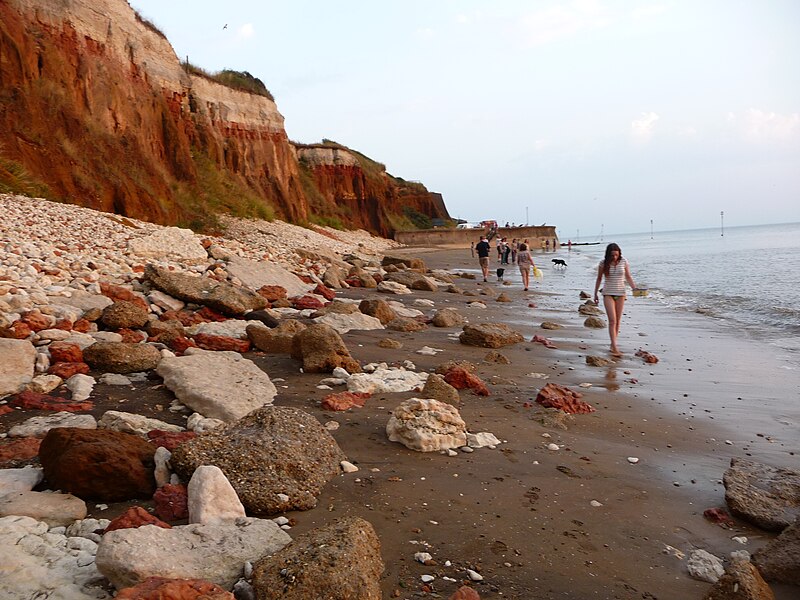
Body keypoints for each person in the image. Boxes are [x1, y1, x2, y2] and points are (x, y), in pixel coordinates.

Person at [593, 243, 637, 357]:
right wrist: (595, 294)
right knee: (612, 320)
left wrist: (635, 288)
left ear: (619, 254)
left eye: (616, 255)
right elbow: (598, 279)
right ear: (608, 255)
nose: (614, 257)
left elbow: (628, 276)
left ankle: (613, 344)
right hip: (608, 293)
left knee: (617, 320)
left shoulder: (624, 261)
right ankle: (614, 347)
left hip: (621, 293)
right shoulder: (603, 263)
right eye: (612, 255)